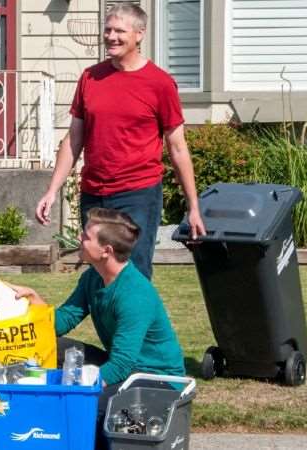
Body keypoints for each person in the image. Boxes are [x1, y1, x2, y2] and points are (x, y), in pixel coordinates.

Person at [35, 2, 206, 279]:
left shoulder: (160, 84)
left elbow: (177, 147)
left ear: (139, 34)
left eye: (119, 31)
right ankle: (110, 324)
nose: (111, 36)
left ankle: (136, 323)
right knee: (99, 272)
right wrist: (52, 190)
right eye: (107, 30)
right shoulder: (90, 77)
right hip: (94, 193)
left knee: (133, 274)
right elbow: (73, 139)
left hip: (137, 193)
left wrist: (193, 206)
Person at [8, 207, 185, 391]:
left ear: (106, 251)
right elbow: (63, 321)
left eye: (86, 236)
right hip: (123, 366)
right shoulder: (92, 277)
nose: (79, 238)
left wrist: (78, 389)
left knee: (83, 407)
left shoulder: (135, 295)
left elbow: (121, 364)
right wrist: (35, 302)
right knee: (51, 345)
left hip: (156, 379)